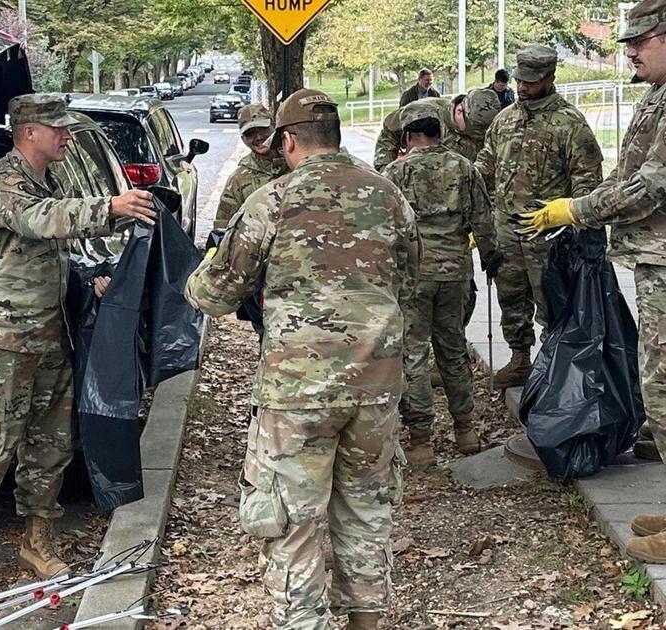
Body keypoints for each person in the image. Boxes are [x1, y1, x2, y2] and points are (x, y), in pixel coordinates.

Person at [517, 0, 666, 564]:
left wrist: (576, 210)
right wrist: (585, 205)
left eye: (639, 42)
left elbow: (653, 185)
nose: (630, 53)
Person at [186, 89, 419, 630]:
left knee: (292, 521)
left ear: (289, 140)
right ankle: (365, 622)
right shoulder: (387, 194)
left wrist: (198, 274)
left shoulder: (272, 199)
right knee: (366, 508)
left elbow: (215, 294)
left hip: (297, 391)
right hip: (375, 383)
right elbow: (409, 279)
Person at [0, 93, 156, 598]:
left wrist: (97, 270)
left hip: (49, 337)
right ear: (29, 132)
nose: (67, 136)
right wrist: (109, 206)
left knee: (49, 448)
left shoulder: (48, 182)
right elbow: (38, 220)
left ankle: (37, 539)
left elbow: (56, 248)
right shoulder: (0, 183)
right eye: (60, 129)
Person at [474, 45, 604, 389]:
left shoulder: (569, 123)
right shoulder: (504, 119)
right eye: (520, 80)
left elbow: (588, 182)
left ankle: (553, 366)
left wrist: (572, 221)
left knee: (553, 302)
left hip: (548, 234)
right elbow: (486, 164)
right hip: (506, 230)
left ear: (550, 78)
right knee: (511, 297)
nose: (523, 87)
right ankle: (520, 359)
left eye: (531, 82)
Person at [382, 101, 500, 467]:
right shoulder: (464, 168)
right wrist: (490, 258)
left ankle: (421, 440)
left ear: (408, 135)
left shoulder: (394, 173)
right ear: (440, 132)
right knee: (453, 349)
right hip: (455, 274)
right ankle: (465, 429)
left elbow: (384, 228)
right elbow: (483, 222)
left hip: (413, 277)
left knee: (414, 355)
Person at [375, 88, 502, 173]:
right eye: (475, 130)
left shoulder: (486, 126)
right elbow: (388, 133)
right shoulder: (423, 110)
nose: (478, 134)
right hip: (416, 181)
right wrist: (386, 170)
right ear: (459, 111)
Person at [214, 104, 288, 230]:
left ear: (274, 126)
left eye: (262, 129)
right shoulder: (238, 180)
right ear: (243, 139)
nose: (258, 137)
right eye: (250, 133)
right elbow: (223, 227)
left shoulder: (297, 162)